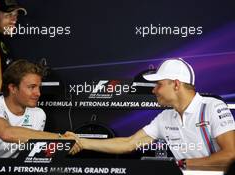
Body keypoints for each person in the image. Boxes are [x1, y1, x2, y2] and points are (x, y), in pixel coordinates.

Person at [71, 58, 235, 169]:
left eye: (158, 84)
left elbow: (231, 156)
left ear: (176, 85)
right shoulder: (166, 117)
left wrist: (181, 164)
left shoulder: (213, 107)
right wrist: (82, 142)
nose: (153, 89)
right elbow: (129, 143)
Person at [0, 59, 80, 158]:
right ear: (13, 88)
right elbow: (6, 133)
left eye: (39, 87)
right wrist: (61, 139)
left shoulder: (38, 114)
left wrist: (64, 146)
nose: (38, 93)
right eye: (31, 87)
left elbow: (32, 153)